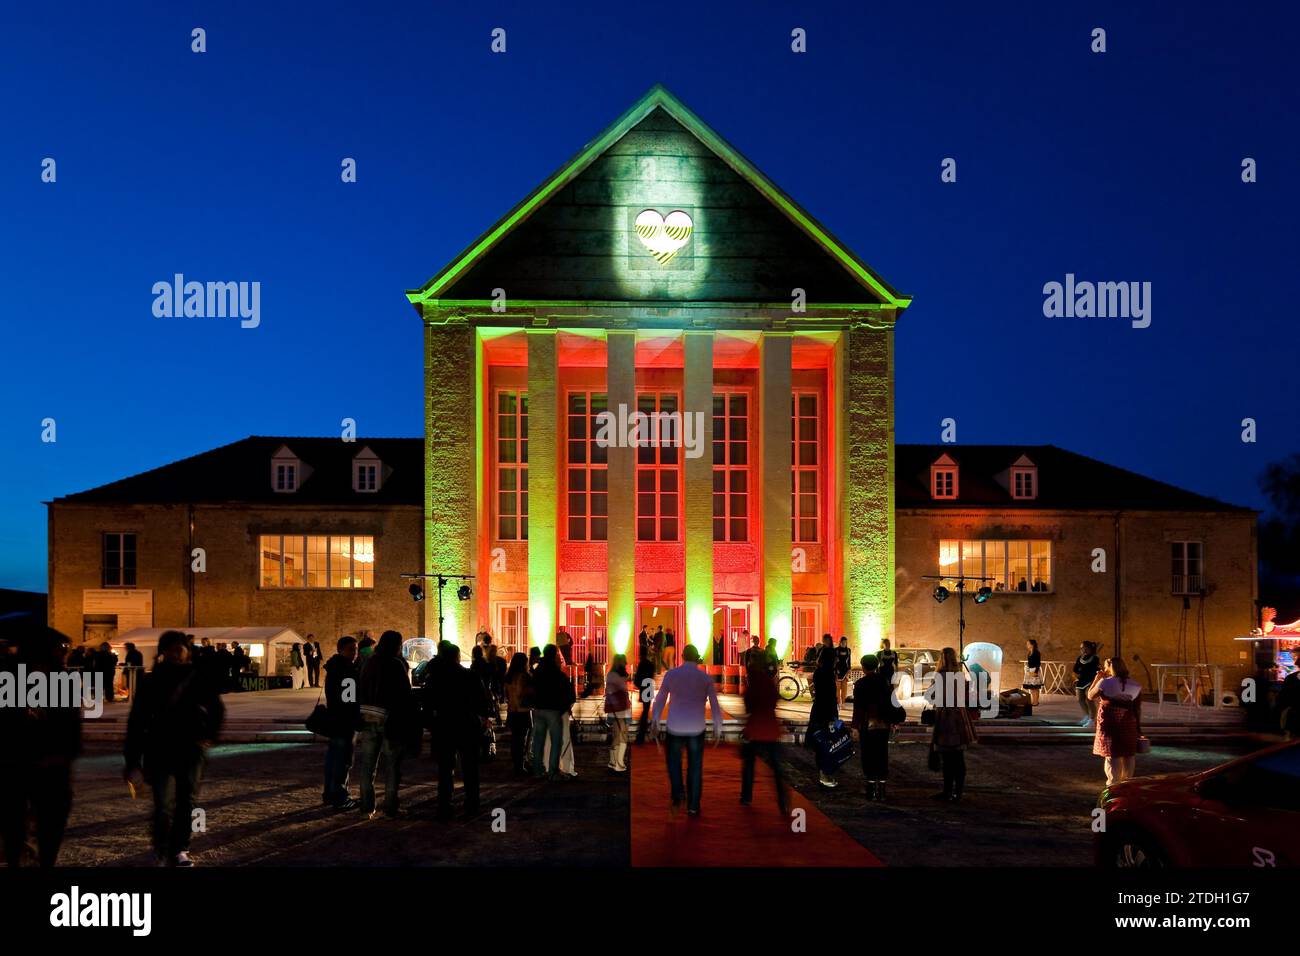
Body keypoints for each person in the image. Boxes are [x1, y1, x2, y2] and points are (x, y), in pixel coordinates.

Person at [124, 630, 224, 866]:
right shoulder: (152, 681)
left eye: (179, 649)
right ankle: (162, 848)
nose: (176, 654)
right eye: (171, 649)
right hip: (160, 748)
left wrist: (209, 735)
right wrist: (132, 759)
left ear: (187, 651)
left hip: (189, 747)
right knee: (162, 804)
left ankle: (179, 848)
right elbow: (137, 721)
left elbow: (217, 709)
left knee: (185, 801)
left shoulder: (197, 677)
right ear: (163, 652)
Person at [0, 626, 81, 868]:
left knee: (52, 822)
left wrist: (66, 753)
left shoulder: (63, 679)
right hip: (15, 763)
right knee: (13, 823)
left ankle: (44, 861)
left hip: (52, 765)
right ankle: (16, 858)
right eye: (61, 648)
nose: (64, 653)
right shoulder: (9, 678)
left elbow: (70, 722)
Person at [423, 641, 495, 819]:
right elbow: (482, 702)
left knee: (445, 769)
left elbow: (427, 703)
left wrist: (431, 724)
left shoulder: (434, 678)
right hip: (467, 725)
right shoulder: (470, 676)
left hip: (444, 725)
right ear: (457, 657)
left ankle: (444, 804)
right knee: (470, 768)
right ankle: (472, 803)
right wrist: (482, 718)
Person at [650, 644, 723, 816]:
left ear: (682, 656)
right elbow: (714, 704)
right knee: (695, 767)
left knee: (673, 763)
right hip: (697, 727)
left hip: (675, 725)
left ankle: (678, 793)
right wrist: (717, 725)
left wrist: (655, 719)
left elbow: (660, 698)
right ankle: (693, 805)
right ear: (697, 657)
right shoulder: (705, 678)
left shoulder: (672, 674)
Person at [356, 630, 416, 819]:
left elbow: (361, 688)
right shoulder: (396, 664)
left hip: (368, 717)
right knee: (392, 766)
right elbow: (404, 695)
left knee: (367, 765)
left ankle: (366, 808)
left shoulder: (369, 663)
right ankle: (390, 807)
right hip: (390, 720)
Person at [851, 654, 904, 800]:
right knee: (881, 754)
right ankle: (881, 790)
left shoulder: (860, 684)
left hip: (868, 724)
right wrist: (895, 721)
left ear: (863, 667)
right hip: (883, 724)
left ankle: (870, 789)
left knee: (868, 756)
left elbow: (858, 708)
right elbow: (892, 702)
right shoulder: (884, 681)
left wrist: (855, 726)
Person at [930, 647, 978, 802]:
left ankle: (947, 791)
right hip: (959, 716)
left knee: (947, 758)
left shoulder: (939, 676)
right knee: (958, 757)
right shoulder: (960, 675)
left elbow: (932, 696)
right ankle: (958, 792)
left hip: (945, 717)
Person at [740, 656, 787, 814]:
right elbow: (774, 701)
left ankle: (746, 796)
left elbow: (748, 706)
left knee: (749, 765)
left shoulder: (752, 684)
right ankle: (783, 799)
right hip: (771, 728)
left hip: (755, 728)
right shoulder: (768, 682)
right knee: (776, 767)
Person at [1088, 657, 1142, 786]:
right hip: (1128, 720)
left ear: (1110, 668)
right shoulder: (1135, 684)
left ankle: (1113, 783)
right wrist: (1138, 727)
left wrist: (1097, 679)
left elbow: (1090, 695)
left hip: (1109, 719)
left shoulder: (1105, 682)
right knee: (1128, 753)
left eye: (1106, 667)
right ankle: (1126, 783)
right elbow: (1137, 707)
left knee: (1112, 753)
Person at [321, 636, 361, 809]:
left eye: (355, 649)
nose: (354, 653)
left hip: (335, 719)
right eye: (351, 649)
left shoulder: (333, 668)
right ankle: (340, 796)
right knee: (343, 759)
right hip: (345, 721)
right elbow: (349, 699)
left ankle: (329, 793)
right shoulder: (346, 670)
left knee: (332, 757)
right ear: (341, 650)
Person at [530, 645, 575, 780]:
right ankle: (553, 772)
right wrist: (565, 706)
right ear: (555, 655)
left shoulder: (538, 671)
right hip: (553, 709)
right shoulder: (557, 673)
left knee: (539, 741)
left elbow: (533, 687)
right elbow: (567, 692)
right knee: (556, 741)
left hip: (539, 708)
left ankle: (537, 770)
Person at [807, 645, 841, 788]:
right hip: (827, 711)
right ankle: (825, 774)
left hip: (819, 710)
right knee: (828, 742)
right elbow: (830, 697)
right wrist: (835, 716)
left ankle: (823, 773)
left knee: (821, 742)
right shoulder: (827, 673)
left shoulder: (819, 672)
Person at [503, 653, 533, 774]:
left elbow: (506, 694)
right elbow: (524, 692)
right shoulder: (524, 676)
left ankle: (517, 763)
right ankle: (521, 765)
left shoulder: (508, 677)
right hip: (523, 710)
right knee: (523, 739)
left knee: (515, 739)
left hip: (512, 710)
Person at [605, 654, 632, 772]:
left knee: (616, 735)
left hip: (613, 708)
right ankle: (619, 763)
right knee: (622, 735)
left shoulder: (610, 675)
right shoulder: (618, 677)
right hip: (620, 708)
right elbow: (622, 689)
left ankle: (613, 761)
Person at [1073, 641, 1102, 727]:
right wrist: (1076, 677)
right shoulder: (1080, 658)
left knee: (1089, 700)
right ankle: (1087, 715)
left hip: (1090, 681)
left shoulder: (1095, 658)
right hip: (1081, 680)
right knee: (1080, 699)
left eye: (1085, 648)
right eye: (1081, 648)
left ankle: (1092, 719)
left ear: (1090, 649)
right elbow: (1075, 669)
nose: (1083, 650)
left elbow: (1095, 669)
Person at [633, 652, 656, 744]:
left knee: (645, 710)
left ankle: (641, 733)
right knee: (646, 709)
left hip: (644, 686)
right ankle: (644, 730)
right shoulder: (651, 664)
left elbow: (638, 677)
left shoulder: (642, 663)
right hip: (649, 685)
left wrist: (638, 684)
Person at [1023, 639, 1043, 707]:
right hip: (1030, 670)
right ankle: (1033, 700)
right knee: (1031, 687)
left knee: (1035, 687)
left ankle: (1036, 701)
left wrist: (1036, 672)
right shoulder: (1029, 653)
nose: (1027, 645)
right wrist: (1027, 668)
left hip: (1035, 670)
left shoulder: (1036, 653)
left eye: (1028, 644)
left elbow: (1038, 663)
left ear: (1032, 644)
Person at [834, 636, 852, 706]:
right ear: (840, 642)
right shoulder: (836, 650)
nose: (844, 643)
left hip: (845, 670)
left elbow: (849, 660)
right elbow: (834, 662)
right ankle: (838, 702)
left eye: (845, 642)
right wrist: (835, 670)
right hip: (838, 671)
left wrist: (849, 668)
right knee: (837, 688)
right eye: (843, 642)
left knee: (844, 688)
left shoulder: (848, 650)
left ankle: (844, 702)